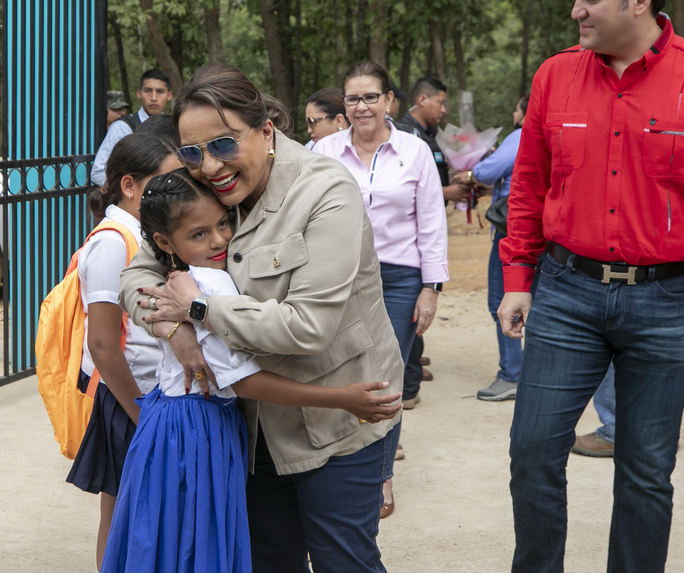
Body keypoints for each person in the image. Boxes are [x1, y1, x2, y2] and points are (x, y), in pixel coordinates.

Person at [496, 0, 684, 572]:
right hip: (567, 291)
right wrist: (518, 277)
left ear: (640, 0)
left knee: (647, 470)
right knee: (533, 450)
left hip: (667, 300)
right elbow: (530, 185)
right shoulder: (555, 77)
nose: (577, 11)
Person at [118, 63, 404, 572]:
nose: (209, 166)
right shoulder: (198, 186)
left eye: (225, 144)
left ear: (266, 129)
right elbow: (138, 272)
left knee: (344, 560)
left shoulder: (323, 192)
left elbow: (306, 326)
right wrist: (174, 328)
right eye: (192, 151)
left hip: (339, 417)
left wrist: (198, 310)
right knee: (268, 561)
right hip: (250, 433)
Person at [313, 61, 449, 519]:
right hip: (338, 276)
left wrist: (430, 287)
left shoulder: (414, 153)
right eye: (353, 98)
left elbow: (431, 223)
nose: (362, 106)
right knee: (339, 372)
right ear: (343, 106)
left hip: (398, 279)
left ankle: (381, 475)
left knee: (384, 378)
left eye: (371, 96)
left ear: (389, 101)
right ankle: (337, 467)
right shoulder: (323, 151)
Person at [64, 132, 182, 570]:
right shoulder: (115, 242)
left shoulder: (144, 234)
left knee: (135, 506)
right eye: (163, 181)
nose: (174, 192)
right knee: (121, 511)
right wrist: (141, 413)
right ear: (129, 185)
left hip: (143, 395)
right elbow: (101, 341)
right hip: (130, 396)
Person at [394, 76, 471, 406]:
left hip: (428, 232)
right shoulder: (404, 135)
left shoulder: (428, 136)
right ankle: (407, 386)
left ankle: (412, 371)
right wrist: (447, 192)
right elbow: (405, 190)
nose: (444, 109)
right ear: (422, 100)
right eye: (440, 102)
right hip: (406, 245)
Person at [472, 95, 528, 402]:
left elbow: (488, 171)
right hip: (551, 236)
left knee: (502, 299)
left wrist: (471, 173)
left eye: (517, 107)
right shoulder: (557, 134)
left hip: (513, 232)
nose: (513, 112)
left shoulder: (521, 136)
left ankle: (512, 374)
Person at [92, 70, 174, 186]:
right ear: (139, 93)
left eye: (160, 91)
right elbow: (98, 171)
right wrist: (128, 191)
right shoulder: (123, 127)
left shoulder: (173, 127)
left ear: (169, 95)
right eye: (148, 91)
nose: (154, 97)